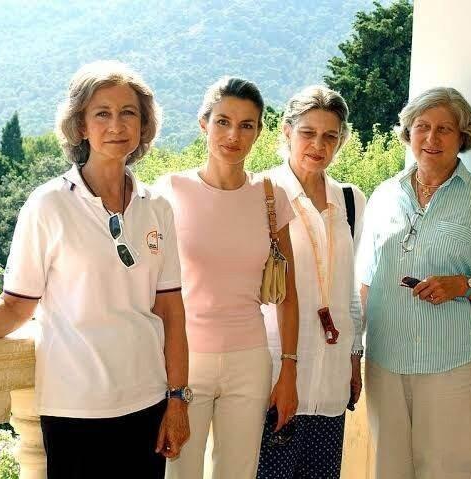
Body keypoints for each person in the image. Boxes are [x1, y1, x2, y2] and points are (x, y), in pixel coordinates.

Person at [0, 60, 190, 479]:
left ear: (143, 125)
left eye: (128, 112)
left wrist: (177, 399)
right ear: (81, 126)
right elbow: (16, 305)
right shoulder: (48, 205)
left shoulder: (157, 207)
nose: (116, 125)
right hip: (74, 406)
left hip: (147, 401)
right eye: (102, 113)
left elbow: (171, 312)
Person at [358, 86, 471, 479]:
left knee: (444, 472)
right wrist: (355, 349)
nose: (432, 138)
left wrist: (463, 285)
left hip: (453, 363)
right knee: (388, 470)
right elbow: (365, 282)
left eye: (445, 129)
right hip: (384, 360)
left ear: (463, 137)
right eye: (422, 127)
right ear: (408, 133)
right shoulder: (384, 195)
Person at [156, 77, 299, 479]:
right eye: (223, 122)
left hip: (250, 361)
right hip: (184, 360)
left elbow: (289, 294)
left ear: (259, 131)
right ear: (204, 123)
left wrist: (289, 369)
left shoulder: (271, 197)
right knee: (178, 473)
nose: (234, 135)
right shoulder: (169, 191)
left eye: (246, 125)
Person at [256, 85, 365, 479]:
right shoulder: (261, 194)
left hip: (331, 376)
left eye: (330, 136)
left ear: (342, 140)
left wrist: (355, 357)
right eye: (308, 133)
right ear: (286, 131)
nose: (319, 145)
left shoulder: (351, 200)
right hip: (274, 371)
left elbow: (350, 289)